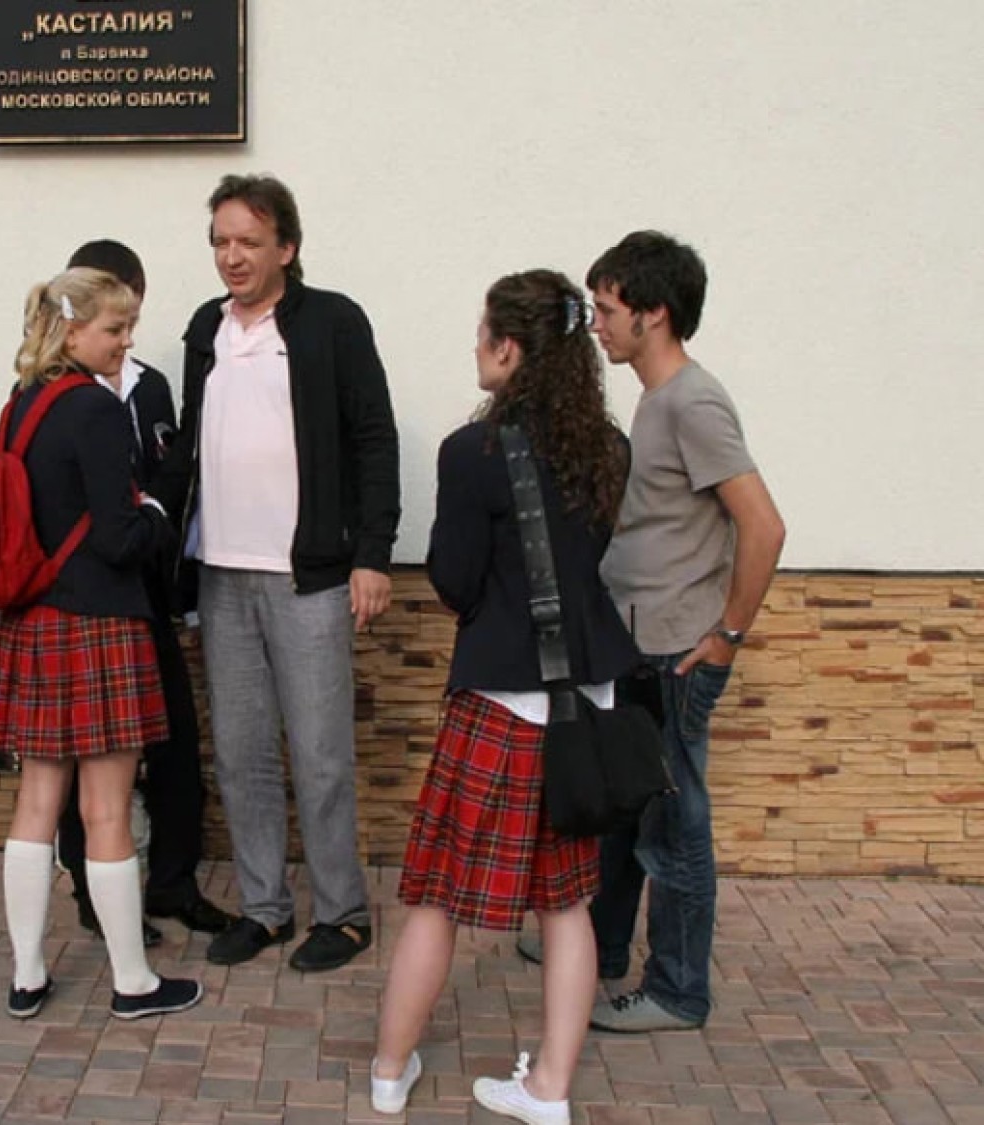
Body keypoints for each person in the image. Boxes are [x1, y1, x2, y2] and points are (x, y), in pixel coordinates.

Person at [369, 271, 640, 1122]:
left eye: (484, 331)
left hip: (500, 702)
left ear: (511, 347)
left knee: (436, 896)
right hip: (585, 701)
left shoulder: (471, 451)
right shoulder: (608, 446)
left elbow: (454, 579)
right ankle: (549, 1088)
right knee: (567, 903)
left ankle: (388, 1074)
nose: (476, 344)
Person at [152, 174, 400, 973]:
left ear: (286, 247)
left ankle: (343, 913)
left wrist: (372, 554)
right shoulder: (206, 327)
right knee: (242, 751)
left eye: (249, 242)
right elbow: (191, 442)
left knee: (321, 754)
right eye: (221, 241)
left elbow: (375, 438)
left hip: (310, 578)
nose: (232, 256)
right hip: (221, 575)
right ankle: (264, 907)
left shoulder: (333, 322)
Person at [0, 267, 203, 1022]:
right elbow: (117, 538)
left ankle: (27, 975)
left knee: (36, 804)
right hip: (100, 624)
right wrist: (159, 511)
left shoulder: (21, 403)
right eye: (115, 328)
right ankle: (133, 982)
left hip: (34, 619)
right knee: (106, 808)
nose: (125, 342)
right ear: (73, 330)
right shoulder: (96, 408)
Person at [581, 232, 785, 1033]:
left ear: (654, 312)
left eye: (607, 309)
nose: (597, 324)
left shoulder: (693, 402)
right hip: (642, 642)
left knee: (675, 827)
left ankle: (676, 990)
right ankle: (598, 948)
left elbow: (763, 526)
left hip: (678, 649)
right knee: (630, 812)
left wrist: (727, 633)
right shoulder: (657, 398)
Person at [52, 239, 233, 947]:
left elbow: (174, 474)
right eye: (113, 316)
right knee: (88, 757)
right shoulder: (56, 390)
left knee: (175, 740)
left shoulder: (151, 386)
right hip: (88, 603)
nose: (125, 331)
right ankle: (92, 890)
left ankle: (173, 881)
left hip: (150, 595)